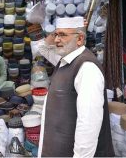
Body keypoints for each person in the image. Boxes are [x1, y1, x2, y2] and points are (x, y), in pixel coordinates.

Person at [37, 16, 114, 157]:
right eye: (56, 35)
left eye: (63, 35)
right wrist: (58, 29)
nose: (56, 40)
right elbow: (42, 47)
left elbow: (88, 125)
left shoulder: (87, 68)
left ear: (79, 39)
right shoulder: (65, 60)